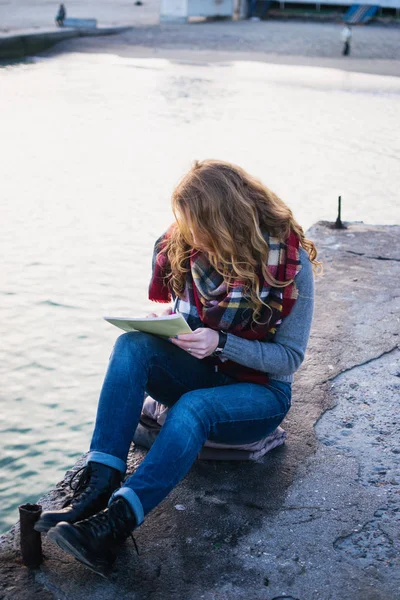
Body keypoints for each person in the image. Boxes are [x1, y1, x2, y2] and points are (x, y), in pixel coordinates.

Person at [35, 159, 319, 577]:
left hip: (260, 395)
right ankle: (97, 488)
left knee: (194, 408)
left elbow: (289, 359)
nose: (190, 235)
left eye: (199, 225)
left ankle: (114, 526)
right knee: (131, 345)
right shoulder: (186, 248)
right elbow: (181, 311)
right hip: (201, 369)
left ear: (226, 221)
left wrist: (221, 342)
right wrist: (172, 331)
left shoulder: (289, 266)